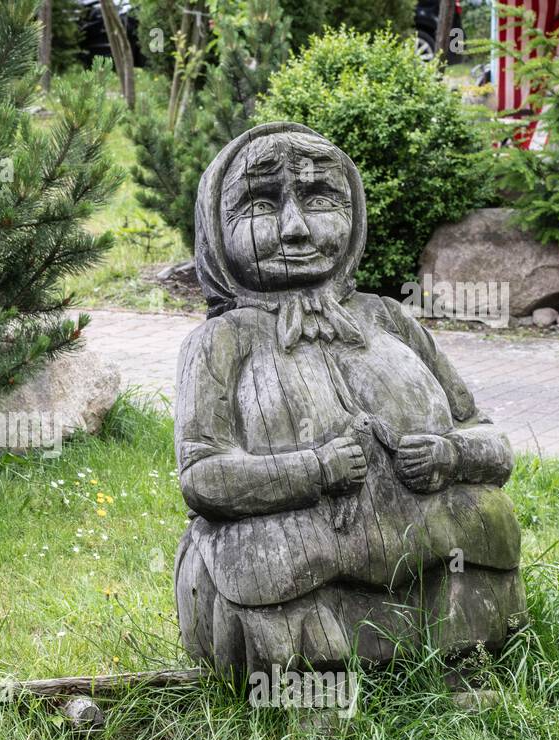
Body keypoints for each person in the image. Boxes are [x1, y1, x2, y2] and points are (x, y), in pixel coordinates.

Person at [175, 122, 525, 680]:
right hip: (298, 550)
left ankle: (463, 665)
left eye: (319, 200)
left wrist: (450, 455)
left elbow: (491, 442)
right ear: (217, 227)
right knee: (261, 552)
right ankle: (313, 690)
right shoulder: (220, 342)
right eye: (261, 205)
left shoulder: (390, 319)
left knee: (482, 515)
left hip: (422, 541)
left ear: (354, 214)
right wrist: (312, 469)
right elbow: (202, 476)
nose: (295, 229)